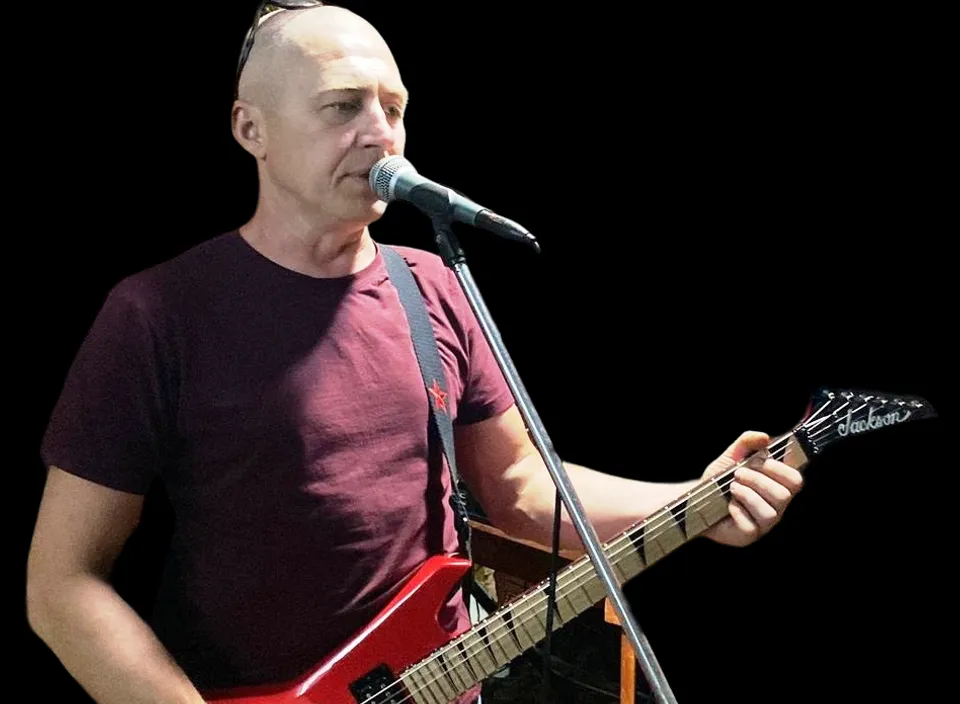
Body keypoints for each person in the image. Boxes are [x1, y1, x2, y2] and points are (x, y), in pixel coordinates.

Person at [26, 4, 804, 703]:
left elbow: (522, 492)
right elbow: (62, 585)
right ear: (250, 130)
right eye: (342, 107)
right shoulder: (160, 312)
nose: (379, 132)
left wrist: (695, 505)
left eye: (392, 108)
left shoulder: (429, 284)